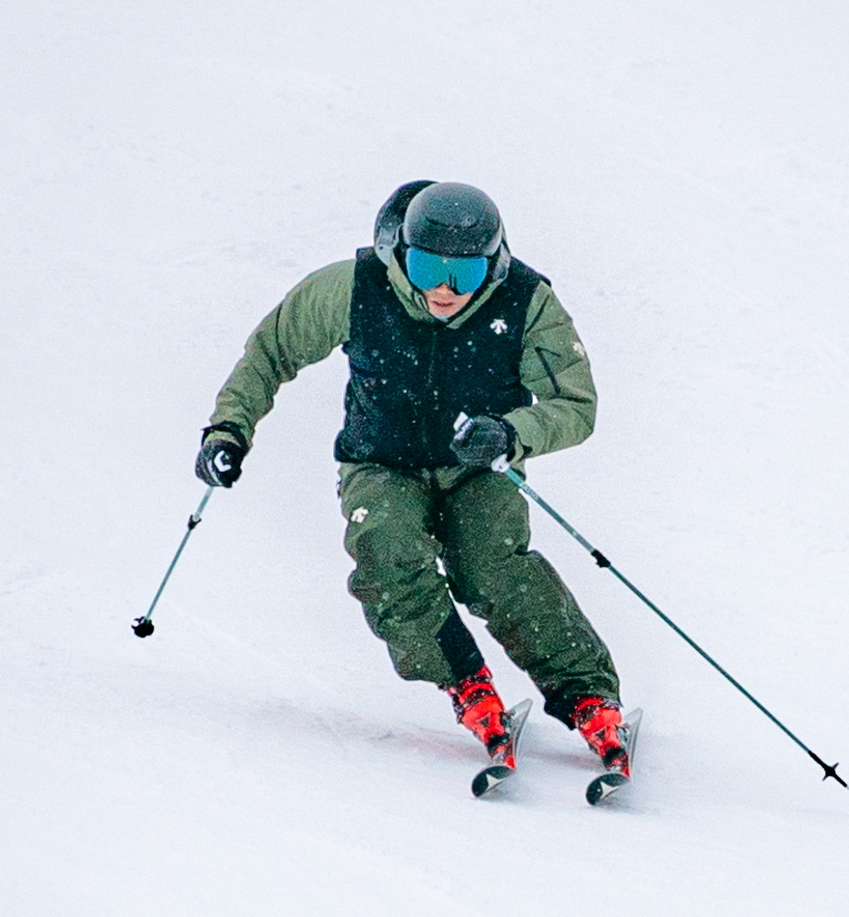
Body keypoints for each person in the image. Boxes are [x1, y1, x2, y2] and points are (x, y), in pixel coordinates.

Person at [198, 179, 628, 773]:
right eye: (427, 268)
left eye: (466, 274)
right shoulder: (355, 288)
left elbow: (576, 405)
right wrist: (228, 429)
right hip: (381, 462)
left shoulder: (526, 302)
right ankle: (466, 683)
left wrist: (510, 432)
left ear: (493, 263)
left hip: (477, 466)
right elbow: (271, 352)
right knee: (385, 551)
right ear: (402, 253)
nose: (445, 289)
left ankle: (588, 695)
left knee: (492, 565)